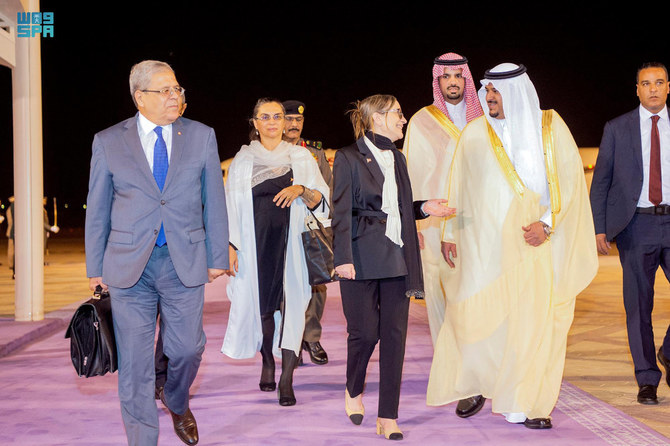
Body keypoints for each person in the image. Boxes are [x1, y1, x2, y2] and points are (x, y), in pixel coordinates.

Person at [427, 63, 598, 429]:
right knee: (477, 317)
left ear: (518, 92)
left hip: (534, 246)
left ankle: (527, 400)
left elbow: (568, 186)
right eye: (487, 91)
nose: (489, 98)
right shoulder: (475, 133)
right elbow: (458, 187)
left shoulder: (550, 129)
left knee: (533, 325)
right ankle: (475, 383)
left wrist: (548, 226)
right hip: (484, 251)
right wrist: (449, 235)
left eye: (496, 92)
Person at [85, 60, 229, 446]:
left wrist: (218, 256)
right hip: (129, 265)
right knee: (134, 363)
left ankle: (176, 398)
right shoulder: (109, 141)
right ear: (139, 97)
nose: (175, 96)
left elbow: (213, 199)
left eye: (178, 89)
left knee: (187, 347)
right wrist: (95, 265)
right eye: (165, 90)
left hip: (183, 259)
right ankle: (142, 440)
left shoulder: (201, 136)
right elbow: (97, 206)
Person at [332, 94, 454, 440]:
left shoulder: (398, 158)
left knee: (395, 339)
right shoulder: (348, 157)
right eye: (398, 114)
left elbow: (398, 208)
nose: (403, 120)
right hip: (359, 256)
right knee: (366, 333)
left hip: (398, 257)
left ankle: (388, 417)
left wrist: (424, 207)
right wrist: (342, 258)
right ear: (378, 118)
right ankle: (353, 387)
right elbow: (340, 212)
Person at [221, 98, 329, 406]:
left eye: (277, 117)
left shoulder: (301, 157)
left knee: (294, 307)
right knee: (263, 310)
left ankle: (286, 378)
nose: (272, 122)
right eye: (264, 116)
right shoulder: (242, 160)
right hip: (255, 247)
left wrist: (301, 190)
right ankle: (267, 360)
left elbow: (322, 199)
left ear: (285, 123)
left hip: (293, 244)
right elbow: (230, 207)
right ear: (254, 122)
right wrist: (230, 245)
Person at [590, 61, 670, 405]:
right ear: (637, 89)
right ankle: (647, 378)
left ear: (669, 87)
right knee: (638, 307)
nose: (652, 88)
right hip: (635, 226)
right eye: (645, 83)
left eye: (659, 82)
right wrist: (598, 228)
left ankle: (668, 351)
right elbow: (601, 182)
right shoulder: (617, 128)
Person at [403, 52, 483, 345]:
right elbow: (411, 175)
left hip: (478, 220)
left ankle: (476, 367)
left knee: (477, 294)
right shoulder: (422, 121)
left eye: (458, 76)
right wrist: (413, 224)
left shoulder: (484, 118)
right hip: (435, 223)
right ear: (437, 81)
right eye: (445, 76)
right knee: (440, 295)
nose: (452, 82)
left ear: (466, 79)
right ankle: (448, 368)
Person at [282, 99, 331, 366]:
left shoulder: (316, 153)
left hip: (310, 226)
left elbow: (328, 191)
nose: (293, 125)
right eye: (288, 119)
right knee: (283, 284)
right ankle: (290, 340)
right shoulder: (270, 152)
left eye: (298, 120)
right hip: (282, 228)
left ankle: (311, 337)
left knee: (316, 283)